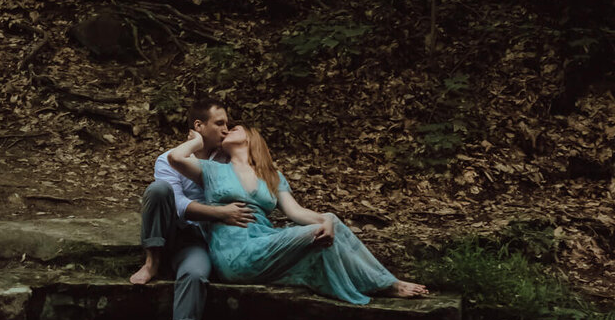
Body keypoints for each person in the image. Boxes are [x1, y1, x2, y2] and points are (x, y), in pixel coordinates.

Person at [177, 123, 429, 305]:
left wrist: (327, 221)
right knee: (320, 228)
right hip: (234, 254)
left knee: (328, 221)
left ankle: (386, 283)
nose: (228, 129)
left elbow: (295, 212)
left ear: (252, 139)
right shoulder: (211, 169)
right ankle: (386, 284)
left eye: (236, 128)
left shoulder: (272, 176)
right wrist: (198, 141)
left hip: (265, 242)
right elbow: (174, 157)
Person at [130, 97, 258, 320]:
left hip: (198, 241)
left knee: (196, 274)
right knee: (158, 190)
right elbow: (177, 206)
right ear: (199, 127)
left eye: (227, 123)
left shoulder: (227, 161)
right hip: (170, 234)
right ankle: (152, 262)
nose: (226, 129)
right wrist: (221, 213)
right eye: (220, 123)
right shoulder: (167, 159)